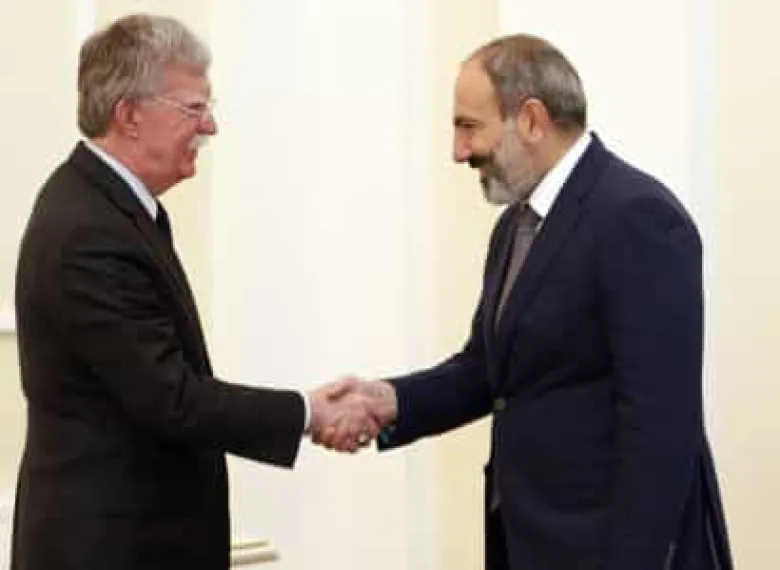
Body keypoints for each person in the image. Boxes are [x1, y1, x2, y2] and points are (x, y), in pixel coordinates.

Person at [321, 34, 733, 570]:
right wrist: (390, 401)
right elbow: (489, 371)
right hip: (529, 542)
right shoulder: (514, 228)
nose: (458, 151)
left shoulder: (636, 216)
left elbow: (660, 426)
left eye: (469, 126)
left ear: (532, 120)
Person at [10, 14, 376, 570]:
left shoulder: (109, 208)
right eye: (194, 108)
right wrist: (307, 413)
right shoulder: (89, 231)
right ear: (130, 115)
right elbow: (171, 399)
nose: (210, 126)